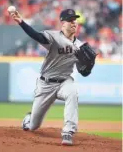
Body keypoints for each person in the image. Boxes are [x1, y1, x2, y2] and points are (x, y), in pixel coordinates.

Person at [9, 8, 85, 146]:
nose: (74, 23)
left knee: (73, 92)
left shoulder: (81, 46)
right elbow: (37, 36)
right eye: (70, 20)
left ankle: (68, 132)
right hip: (46, 85)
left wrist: (87, 67)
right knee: (33, 126)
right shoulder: (54, 37)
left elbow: (84, 71)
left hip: (64, 82)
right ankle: (29, 119)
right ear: (63, 23)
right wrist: (22, 22)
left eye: (75, 20)